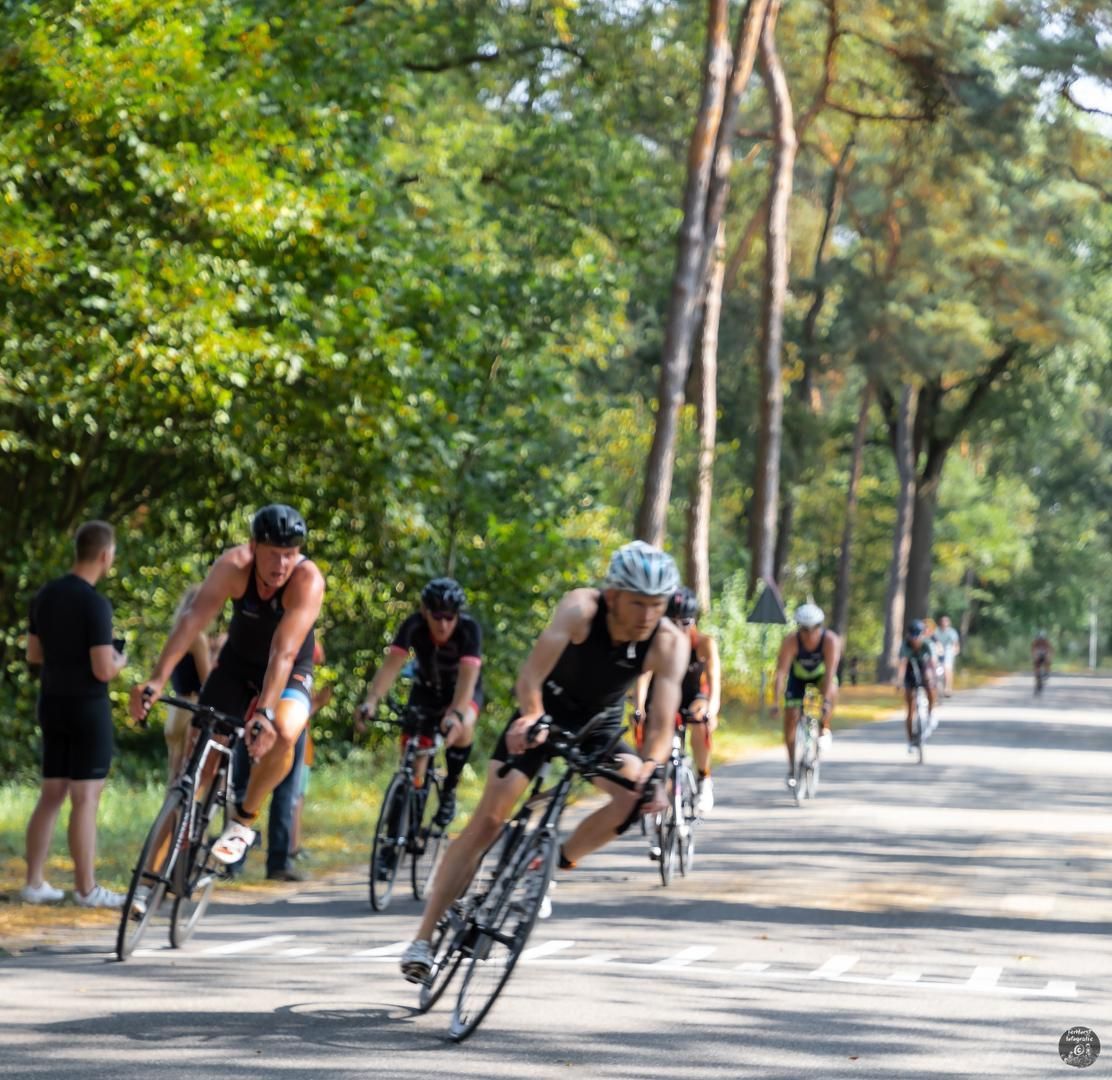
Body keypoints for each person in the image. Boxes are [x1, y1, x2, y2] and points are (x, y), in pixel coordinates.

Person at [399, 540, 690, 984]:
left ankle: (552, 863)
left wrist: (652, 768)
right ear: (613, 595)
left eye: (658, 604)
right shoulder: (580, 609)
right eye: (638, 603)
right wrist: (531, 717)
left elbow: (661, 722)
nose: (648, 614)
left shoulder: (669, 640)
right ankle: (422, 938)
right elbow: (530, 677)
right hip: (544, 714)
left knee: (635, 795)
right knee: (489, 821)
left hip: (599, 727)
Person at [130, 503, 325, 867]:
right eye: (273, 554)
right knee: (195, 770)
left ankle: (243, 820)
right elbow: (191, 621)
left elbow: (283, 654)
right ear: (253, 547)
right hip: (236, 664)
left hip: (289, 667)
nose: (281, 564)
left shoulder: (307, 581)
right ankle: (147, 880)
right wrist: (156, 680)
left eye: (290, 554)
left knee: (284, 730)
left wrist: (265, 713)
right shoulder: (234, 566)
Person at [23, 520, 127, 907]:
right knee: (85, 797)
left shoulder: (45, 596)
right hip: (87, 706)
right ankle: (87, 889)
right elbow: (102, 668)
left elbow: (34, 655)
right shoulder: (94, 603)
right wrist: (120, 659)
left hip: (51, 702)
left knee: (51, 793)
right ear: (105, 555)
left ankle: (34, 882)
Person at [355, 578, 482, 831]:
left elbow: (468, 677)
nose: (443, 624)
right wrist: (371, 701)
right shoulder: (413, 625)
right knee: (414, 761)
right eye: (437, 616)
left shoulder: (469, 630)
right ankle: (405, 823)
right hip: (426, 689)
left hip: (462, 690)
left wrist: (456, 713)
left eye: (449, 617)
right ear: (425, 612)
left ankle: (450, 789)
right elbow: (392, 666)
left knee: (464, 725)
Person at [634, 586, 721, 816]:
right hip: (662, 694)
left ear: (694, 621)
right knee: (649, 735)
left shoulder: (704, 643)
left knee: (700, 720)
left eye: (685, 622)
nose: (678, 628)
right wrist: (638, 707)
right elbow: (644, 677)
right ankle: (654, 787)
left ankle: (704, 779)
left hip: (693, 695)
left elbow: (714, 681)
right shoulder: (656, 642)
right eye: (671, 622)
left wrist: (712, 710)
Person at [771, 602, 841, 791]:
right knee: (790, 717)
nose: (809, 634)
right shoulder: (791, 641)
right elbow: (781, 673)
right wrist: (775, 702)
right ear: (798, 627)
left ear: (821, 626)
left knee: (832, 689)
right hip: (798, 678)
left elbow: (829, 672)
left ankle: (825, 727)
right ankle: (792, 767)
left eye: (814, 628)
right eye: (804, 629)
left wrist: (825, 702)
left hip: (820, 677)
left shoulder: (830, 641)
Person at [163, 585, 214, 781]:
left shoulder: (178, 631)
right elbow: (207, 679)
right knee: (184, 780)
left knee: (173, 777)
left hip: (175, 709)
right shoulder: (197, 638)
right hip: (190, 710)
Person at [896, 620, 936, 750]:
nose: (915, 640)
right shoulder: (905, 644)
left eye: (917, 636)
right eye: (913, 636)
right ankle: (910, 740)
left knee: (930, 687)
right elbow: (902, 664)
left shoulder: (927, 644)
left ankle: (930, 713)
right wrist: (899, 681)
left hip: (924, 667)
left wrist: (932, 676)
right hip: (910, 669)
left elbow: (932, 662)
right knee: (910, 707)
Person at [932, 615, 960, 698]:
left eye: (946, 621)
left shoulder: (951, 632)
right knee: (933, 664)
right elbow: (933, 640)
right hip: (938, 650)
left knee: (947, 667)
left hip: (948, 650)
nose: (944, 623)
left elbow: (955, 643)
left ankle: (948, 688)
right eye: (942, 621)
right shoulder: (936, 631)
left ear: (948, 623)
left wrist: (955, 650)